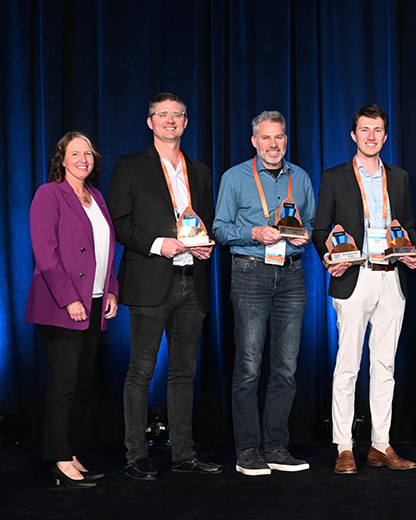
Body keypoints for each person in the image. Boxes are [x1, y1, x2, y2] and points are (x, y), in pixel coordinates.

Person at [108, 92, 221, 480]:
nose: (170, 120)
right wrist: (160, 245)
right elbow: (119, 224)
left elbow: (207, 222)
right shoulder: (130, 166)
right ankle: (135, 456)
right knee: (141, 371)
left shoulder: (201, 171)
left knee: (183, 374)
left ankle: (183, 454)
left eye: (177, 115)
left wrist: (207, 245)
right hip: (151, 280)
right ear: (150, 122)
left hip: (194, 280)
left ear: (186, 123)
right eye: (162, 114)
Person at [311, 104, 416, 475]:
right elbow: (319, 230)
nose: (371, 136)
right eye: (364, 130)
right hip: (353, 278)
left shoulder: (400, 177)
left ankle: (380, 444)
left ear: (385, 136)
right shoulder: (335, 177)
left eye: (377, 130)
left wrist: (412, 252)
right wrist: (330, 257)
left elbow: (406, 226)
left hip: (391, 278)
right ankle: (344, 446)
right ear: (353, 135)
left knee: (384, 366)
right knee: (347, 366)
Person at [213, 111, 316, 475]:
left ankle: (275, 446)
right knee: (249, 367)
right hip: (250, 272)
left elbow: (312, 224)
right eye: (266, 138)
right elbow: (220, 229)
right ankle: (247, 451)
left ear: (285, 140)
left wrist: (305, 233)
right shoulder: (235, 177)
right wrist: (255, 233)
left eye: (280, 138)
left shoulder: (300, 177)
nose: (274, 145)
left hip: (291, 275)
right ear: (254, 141)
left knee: (286, 368)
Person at [26, 132, 119, 488]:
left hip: (95, 305)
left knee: (81, 387)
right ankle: (59, 460)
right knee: (64, 386)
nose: (83, 159)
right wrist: (69, 299)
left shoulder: (96, 197)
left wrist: (110, 289)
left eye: (89, 154)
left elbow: (105, 250)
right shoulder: (49, 194)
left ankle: (71, 452)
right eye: (75, 153)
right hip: (60, 305)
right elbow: (46, 253)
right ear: (62, 159)